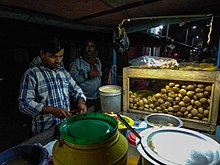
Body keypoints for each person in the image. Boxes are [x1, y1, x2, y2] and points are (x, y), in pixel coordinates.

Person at [18, 37, 87, 135]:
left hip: (64, 127)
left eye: (61, 56)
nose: (58, 61)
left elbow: (76, 90)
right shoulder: (32, 74)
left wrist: (81, 102)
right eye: (53, 56)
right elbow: (24, 103)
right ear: (42, 54)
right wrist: (52, 110)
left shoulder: (63, 72)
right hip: (44, 131)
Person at [69, 40, 102, 112]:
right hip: (84, 100)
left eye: (92, 46)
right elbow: (71, 79)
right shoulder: (77, 62)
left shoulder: (97, 61)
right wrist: (87, 75)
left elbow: (99, 76)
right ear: (84, 47)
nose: (89, 48)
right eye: (87, 46)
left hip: (97, 98)